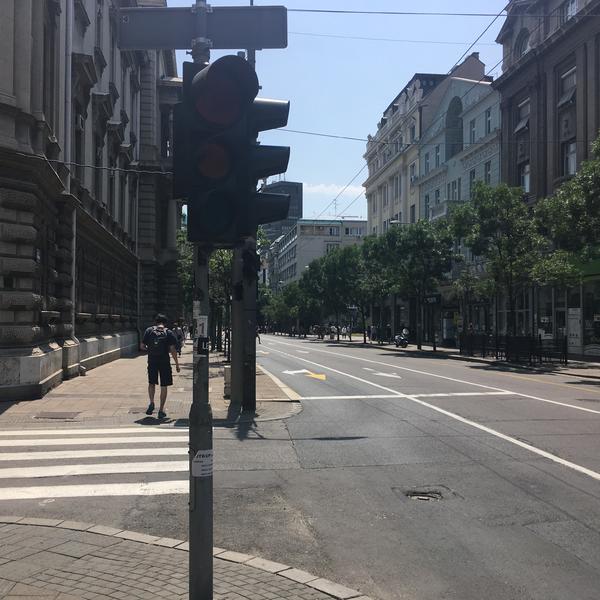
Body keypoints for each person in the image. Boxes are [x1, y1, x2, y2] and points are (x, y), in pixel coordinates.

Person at [141, 313, 180, 420]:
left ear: (156, 322)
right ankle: (161, 410)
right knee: (164, 385)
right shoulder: (168, 332)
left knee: (151, 382)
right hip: (164, 361)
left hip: (152, 360)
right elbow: (172, 349)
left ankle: (151, 402)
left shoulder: (149, 331)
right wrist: (177, 364)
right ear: (165, 323)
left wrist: (150, 349)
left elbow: (142, 346)